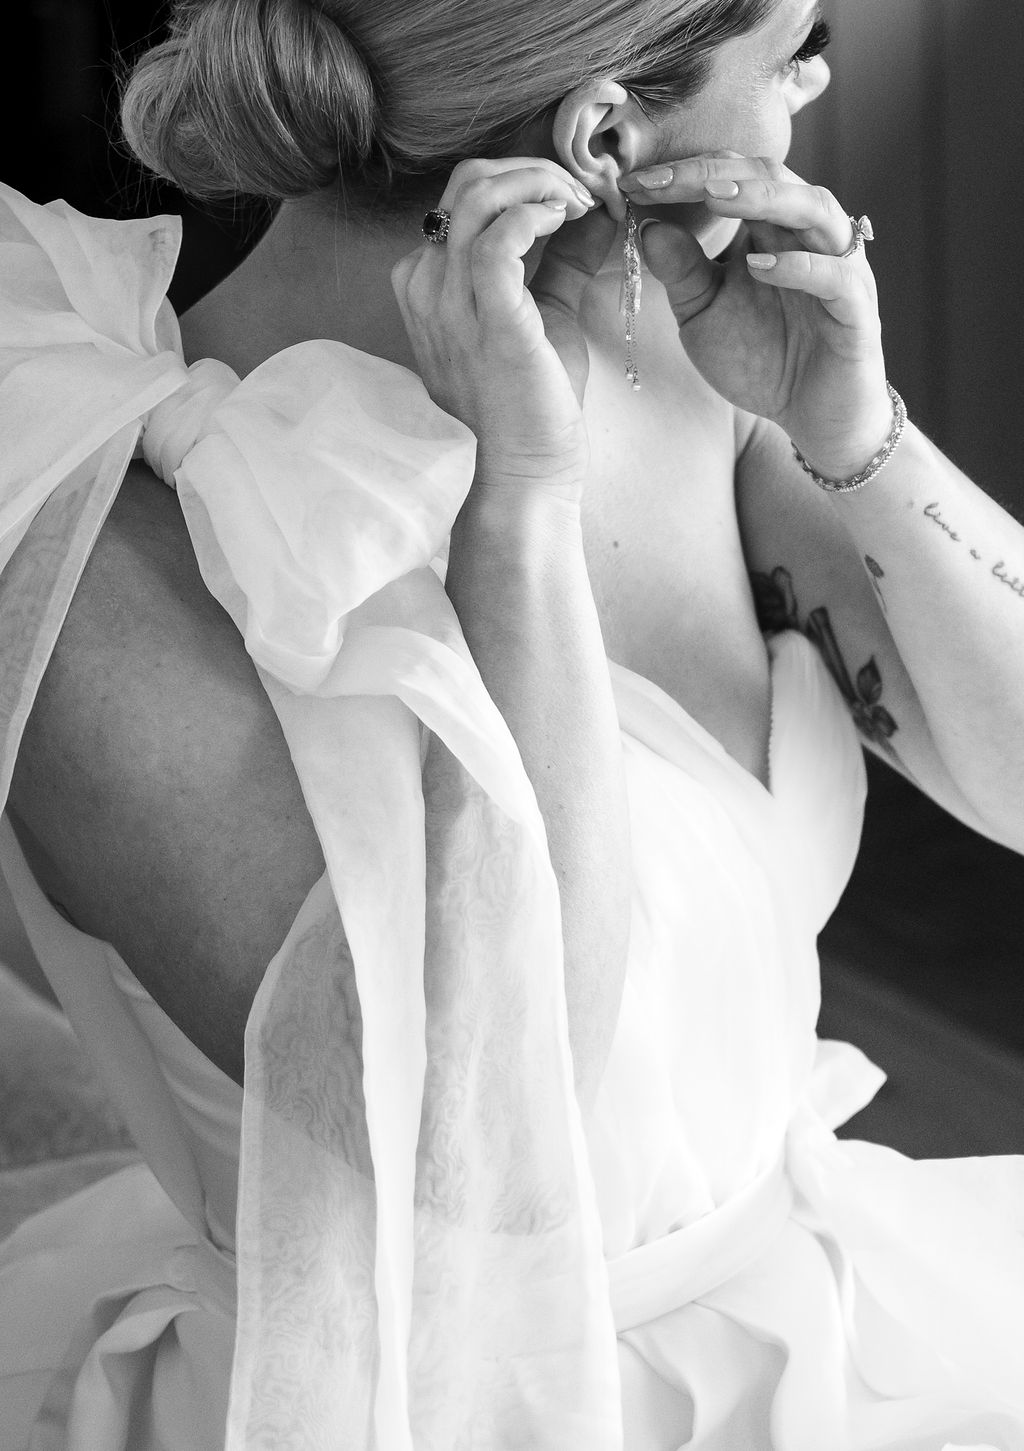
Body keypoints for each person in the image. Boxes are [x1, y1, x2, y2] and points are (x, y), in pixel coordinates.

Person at [1, 0, 1022, 1445]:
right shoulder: (106, 552)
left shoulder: (674, 350)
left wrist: (858, 437)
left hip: (807, 1323)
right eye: (797, 56)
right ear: (605, 135)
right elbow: (516, 1155)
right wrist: (520, 514)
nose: (805, 97)